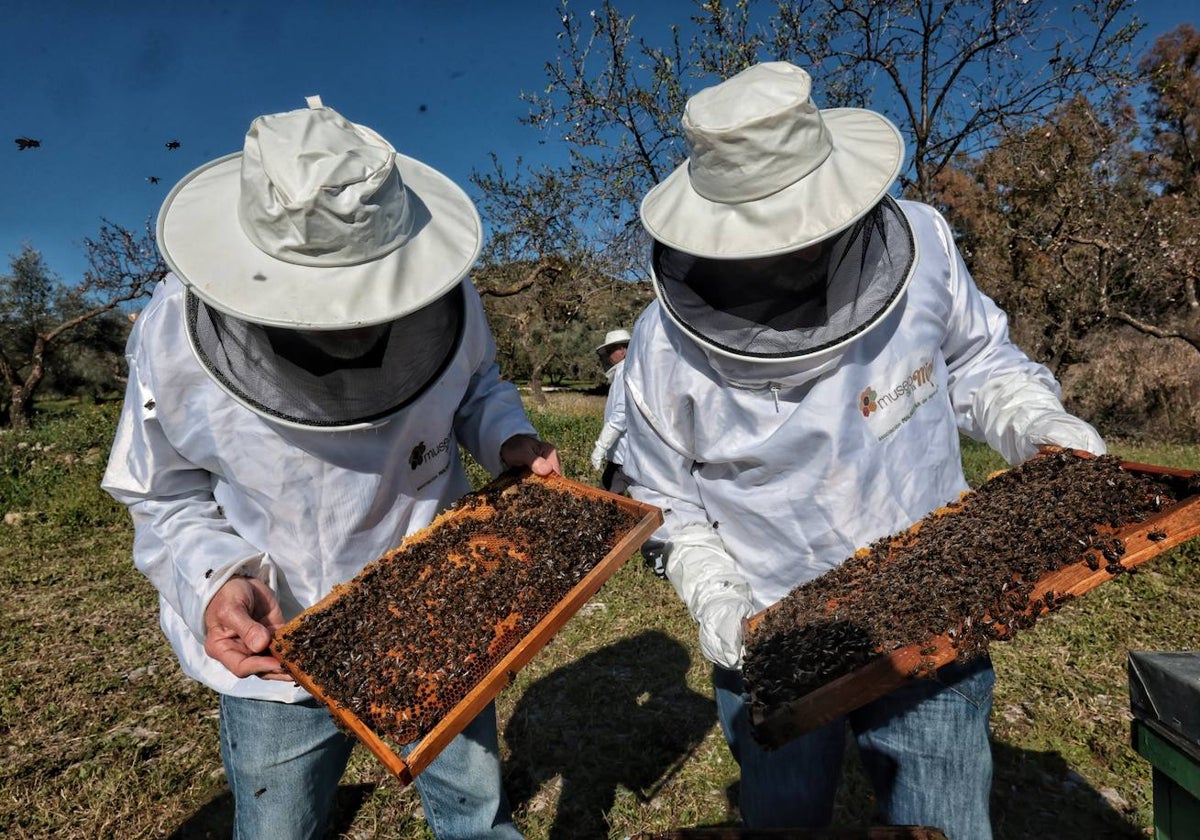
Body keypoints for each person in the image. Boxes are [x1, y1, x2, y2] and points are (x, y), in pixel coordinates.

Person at [619, 62, 1106, 840]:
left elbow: (979, 361)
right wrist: (721, 601)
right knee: (783, 823)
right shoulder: (660, 353)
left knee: (945, 824)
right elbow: (664, 498)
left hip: (940, 596)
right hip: (775, 629)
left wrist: (1040, 427)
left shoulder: (924, 245)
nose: (800, 248)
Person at [101, 96, 560, 840]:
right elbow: (162, 491)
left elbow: (476, 386)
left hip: (437, 614)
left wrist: (506, 436)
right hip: (278, 650)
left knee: (476, 816)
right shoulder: (171, 334)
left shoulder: (452, 295)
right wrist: (217, 578)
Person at [590, 328, 632, 494]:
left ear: (622, 350)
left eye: (610, 350)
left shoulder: (625, 372)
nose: (608, 356)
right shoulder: (630, 371)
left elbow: (620, 415)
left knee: (604, 500)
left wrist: (600, 446)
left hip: (624, 455)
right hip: (623, 453)